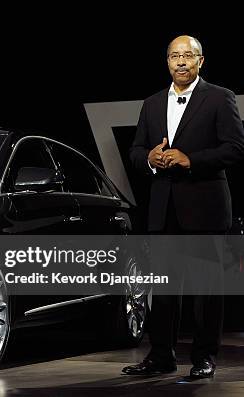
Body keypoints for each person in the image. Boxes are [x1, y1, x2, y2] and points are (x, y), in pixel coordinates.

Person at [124, 35, 244, 378]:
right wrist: (150, 157)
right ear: (167, 61)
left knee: (206, 291)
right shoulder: (151, 103)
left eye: (187, 56)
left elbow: (235, 147)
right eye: (174, 56)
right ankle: (161, 356)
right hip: (164, 210)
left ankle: (205, 357)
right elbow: (136, 150)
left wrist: (190, 160)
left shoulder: (220, 98)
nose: (180, 61)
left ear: (200, 61)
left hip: (205, 208)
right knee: (163, 291)